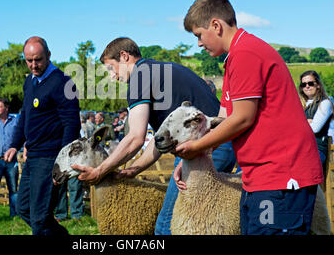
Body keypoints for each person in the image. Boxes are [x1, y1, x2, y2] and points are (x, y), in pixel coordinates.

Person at [174, 0, 323, 235]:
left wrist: (196, 147)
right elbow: (222, 119)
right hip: (259, 178)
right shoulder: (234, 59)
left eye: (199, 35)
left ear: (216, 25)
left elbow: (242, 117)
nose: (199, 44)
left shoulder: (246, 53)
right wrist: (193, 158)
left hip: (280, 177)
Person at [72, 36, 227, 235]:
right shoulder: (162, 70)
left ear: (124, 56)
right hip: (222, 142)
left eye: (111, 68)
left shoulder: (140, 76)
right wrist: (135, 169)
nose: (112, 77)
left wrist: (100, 170)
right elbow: (158, 140)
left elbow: (136, 138)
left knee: (167, 225)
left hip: (209, 149)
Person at [7, 36, 80, 235]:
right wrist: (15, 144)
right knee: (23, 209)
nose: (33, 65)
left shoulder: (64, 82)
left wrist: (62, 162)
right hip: (33, 156)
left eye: (38, 59)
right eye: (29, 60)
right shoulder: (29, 82)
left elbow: (72, 124)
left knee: (39, 218)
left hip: (50, 157)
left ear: (48, 55)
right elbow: (25, 116)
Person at [299, 70, 334, 168]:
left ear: (318, 85)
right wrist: (307, 122)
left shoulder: (325, 103)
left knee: (304, 169)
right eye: (303, 84)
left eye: (310, 83)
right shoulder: (299, 104)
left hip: (316, 147)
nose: (307, 86)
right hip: (300, 146)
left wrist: (299, 123)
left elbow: (315, 128)